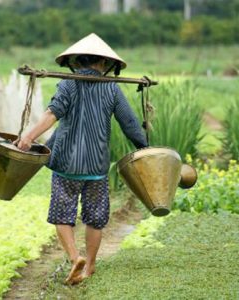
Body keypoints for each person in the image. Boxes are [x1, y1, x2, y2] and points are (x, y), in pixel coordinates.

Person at [16, 33, 148, 284]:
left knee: (61, 215)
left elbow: (52, 114)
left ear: (77, 61)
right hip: (96, 167)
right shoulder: (112, 88)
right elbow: (130, 124)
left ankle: (75, 256)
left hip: (66, 165)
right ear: (105, 64)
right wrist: (146, 149)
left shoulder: (68, 84)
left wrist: (28, 137)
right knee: (95, 218)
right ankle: (90, 266)